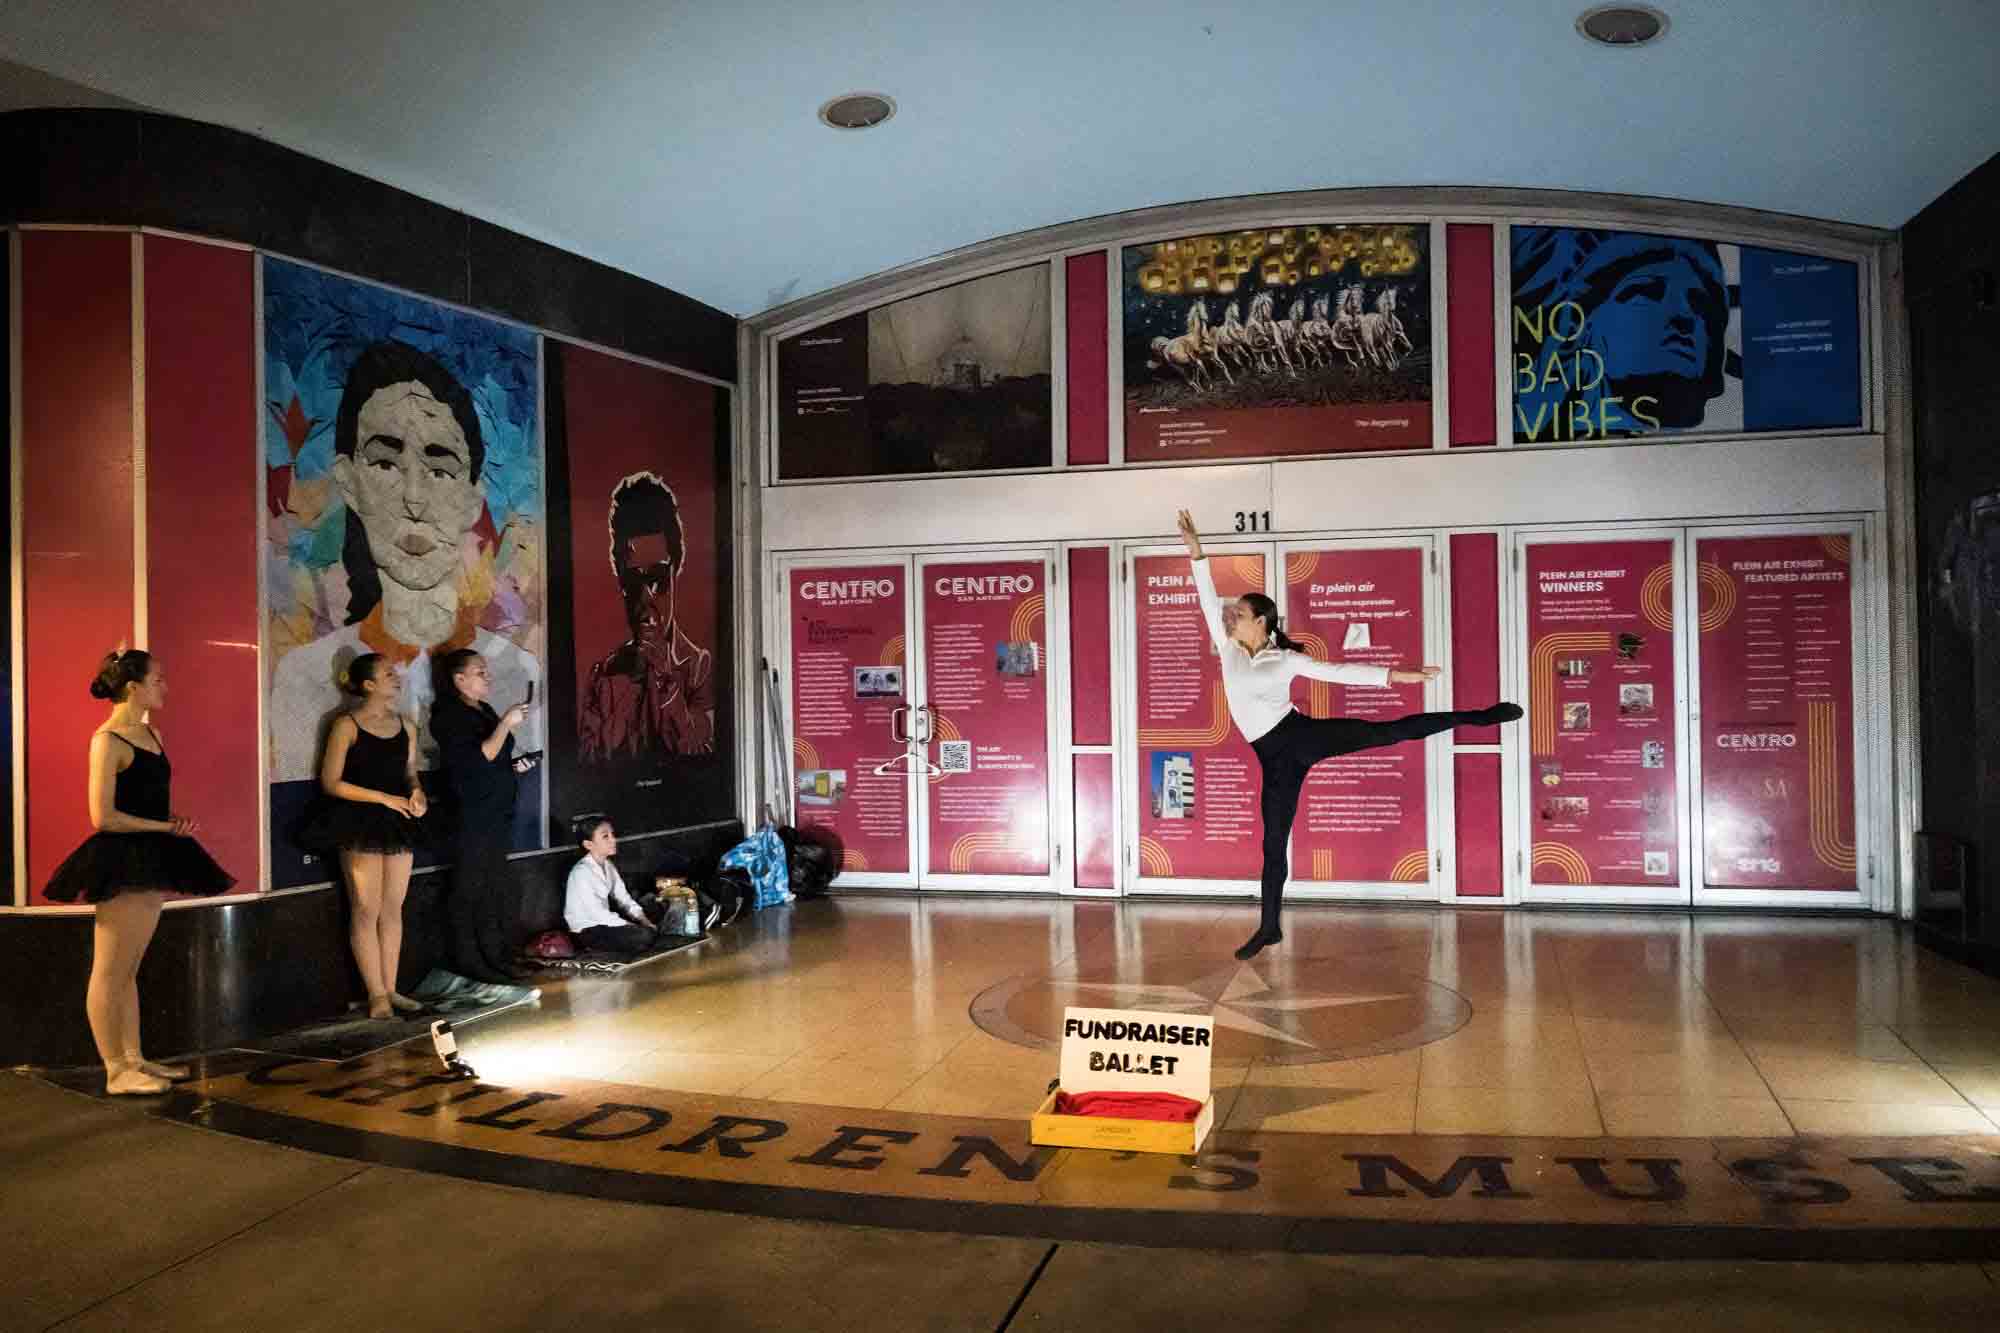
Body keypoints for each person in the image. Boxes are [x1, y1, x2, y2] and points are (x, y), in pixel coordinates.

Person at [1174, 511, 1522, 960]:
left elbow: (1338, 673)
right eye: (1231, 614)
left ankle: (1478, 716)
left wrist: (1400, 675)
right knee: (1273, 842)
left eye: (1238, 614)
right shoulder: (1228, 649)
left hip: (1299, 736)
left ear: (1261, 621)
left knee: (1387, 733)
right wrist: (1195, 548)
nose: (1228, 618)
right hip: (1273, 759)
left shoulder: (1285, 659)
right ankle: (1269, 929)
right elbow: (1206, 599)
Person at [269, 339, 540, 783]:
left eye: (440, 470)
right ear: (350, 482)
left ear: (473, 500)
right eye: (386, 464)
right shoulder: (305, 675)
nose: (414, 499)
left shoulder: (517, 670)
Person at [45, 651, 234, 1094]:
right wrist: (167, 826)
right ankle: (114, 1069)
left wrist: (171, 824)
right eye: (158, 679)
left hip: (150, 856)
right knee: (110, 970)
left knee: (130, 968)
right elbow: (103, 817)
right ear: (134, 687)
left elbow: (146, 801)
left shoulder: (152, 733)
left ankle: (135, 1059)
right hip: (121, 861)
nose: (165, 687)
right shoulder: (107, 740)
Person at [300, 653, 427, 1020]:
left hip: (398, 819)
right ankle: (376, 996)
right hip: (357, 820)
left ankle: (392, 987)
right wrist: (383, 798)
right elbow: (331, 782)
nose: (396, 676)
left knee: (393, 907)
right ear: (368, 685)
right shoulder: (347, 724)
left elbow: (410, 773)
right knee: (366, 908)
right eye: (388, 673)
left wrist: (415, 793)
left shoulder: (406, 725)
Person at [579, 471, 715, 761]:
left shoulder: (701, 667)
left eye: (656, 579)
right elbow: (590, 761)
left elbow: (701, 754)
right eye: (632, 582)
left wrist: (664, 676)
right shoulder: (604, 674)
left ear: (676, 572)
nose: (645, 601)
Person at [431, 647, 536, 982]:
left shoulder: (485, 709)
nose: (487, 677)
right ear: (459, 679)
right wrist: (506, 723)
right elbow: (480, 758)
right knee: (470, 888)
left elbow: (497, 756)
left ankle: (496, 956)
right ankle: (470, 960)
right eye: (480, 672)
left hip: (497, 809)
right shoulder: (447, 715)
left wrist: (515, 765)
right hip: (470, 813)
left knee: (494, 886)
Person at [563, 816, 672, 955]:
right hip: (587, 932)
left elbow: (624, 899)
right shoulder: (581, 872)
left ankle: (649, 933)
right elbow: (598, 914)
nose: (613, 840)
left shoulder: (608, 866)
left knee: (657, 906)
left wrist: (645, 921)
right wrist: (633, 926)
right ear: (588, 844)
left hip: (607, 923)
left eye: (613, 835)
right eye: (605, 837)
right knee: (644, 936)